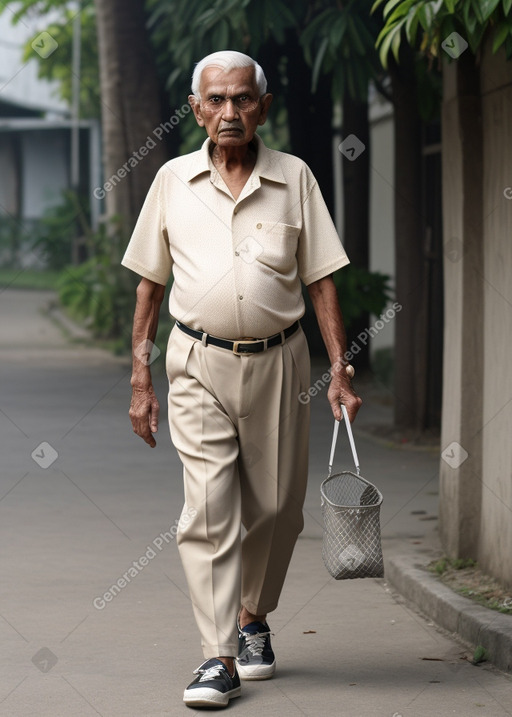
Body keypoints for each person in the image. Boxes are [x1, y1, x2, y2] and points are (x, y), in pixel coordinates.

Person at [122, 50, 361, 709]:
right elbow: (149, 284)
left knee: (279, 509)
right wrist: (142, 380)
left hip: (282, 362)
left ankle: (254, 615)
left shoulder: (296, 178)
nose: (230, 112)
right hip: (195, 362)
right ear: (196, 109)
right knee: (208, 508)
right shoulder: (172, 180)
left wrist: (339, 369)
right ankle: (218, 654)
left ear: (264, 106)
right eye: (217, 101)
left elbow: (321, 280)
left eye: (242, 99)